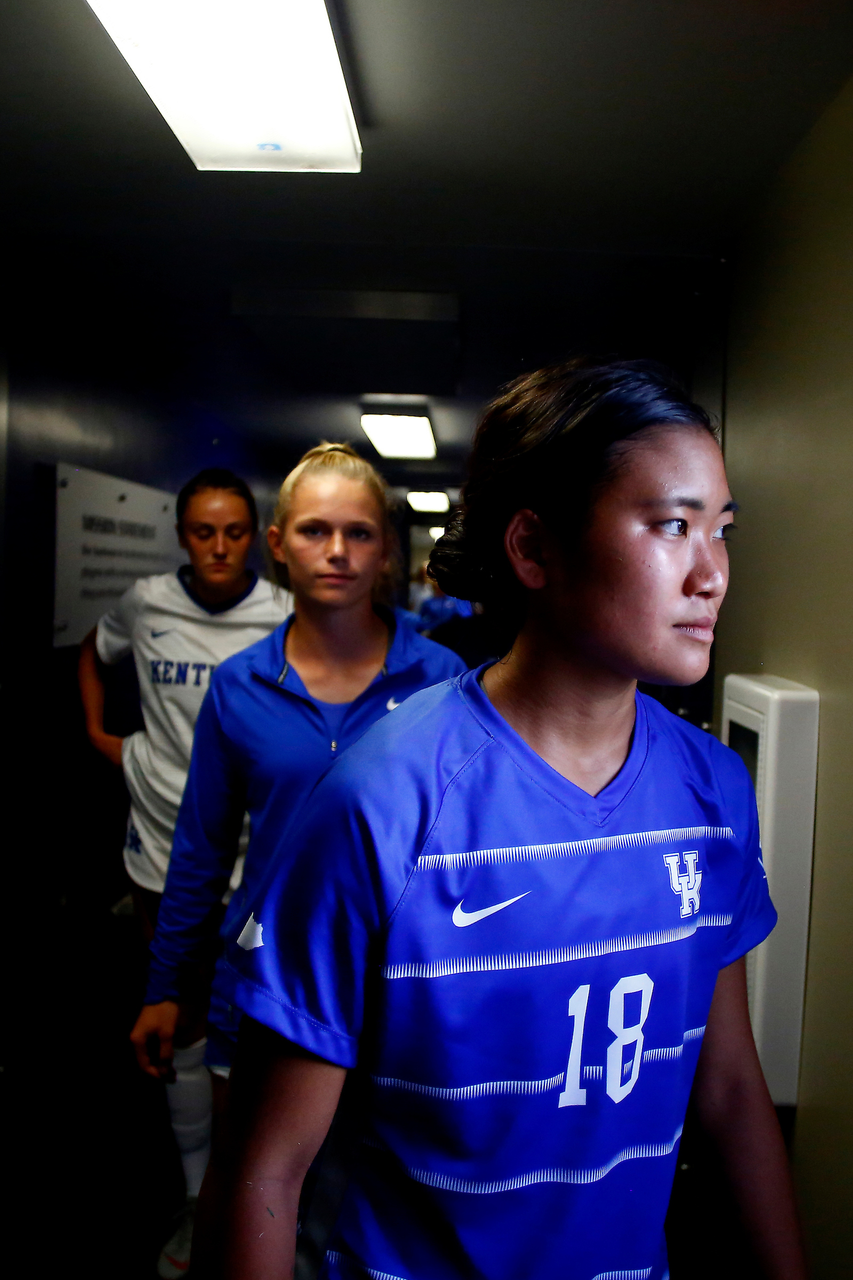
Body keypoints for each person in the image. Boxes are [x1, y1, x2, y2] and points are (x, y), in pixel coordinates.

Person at [209, 359, 807, 1280]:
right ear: (533, 550)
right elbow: (266, 1167)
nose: (712, 575)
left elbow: (728, 1090)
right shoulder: (385, 801)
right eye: (671, 526)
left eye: (721, 530)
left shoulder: (711, 789)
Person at [130, 443, 466, 1243]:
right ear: (278, 543)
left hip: (404, 991)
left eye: (358, 533)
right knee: (254, 1200)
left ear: (386, 546)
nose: (339, 553)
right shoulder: (240, 685)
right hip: (262, 982)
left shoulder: (443, 680)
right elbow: (200, 852)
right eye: (316, 532)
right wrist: (164, 985)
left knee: (374, 1211)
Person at [78, 467, 291, 1279]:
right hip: (162, 847)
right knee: (180, 1015)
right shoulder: (144, 602)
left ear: (257, 538)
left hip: (254, 857)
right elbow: (96, 656)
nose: (218, 547)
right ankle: (200, 1198)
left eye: (234, 532)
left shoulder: (282, 615)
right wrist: (106, 739)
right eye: (203, 532)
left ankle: (261, 1199)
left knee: (261, 1026)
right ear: (181, 536)